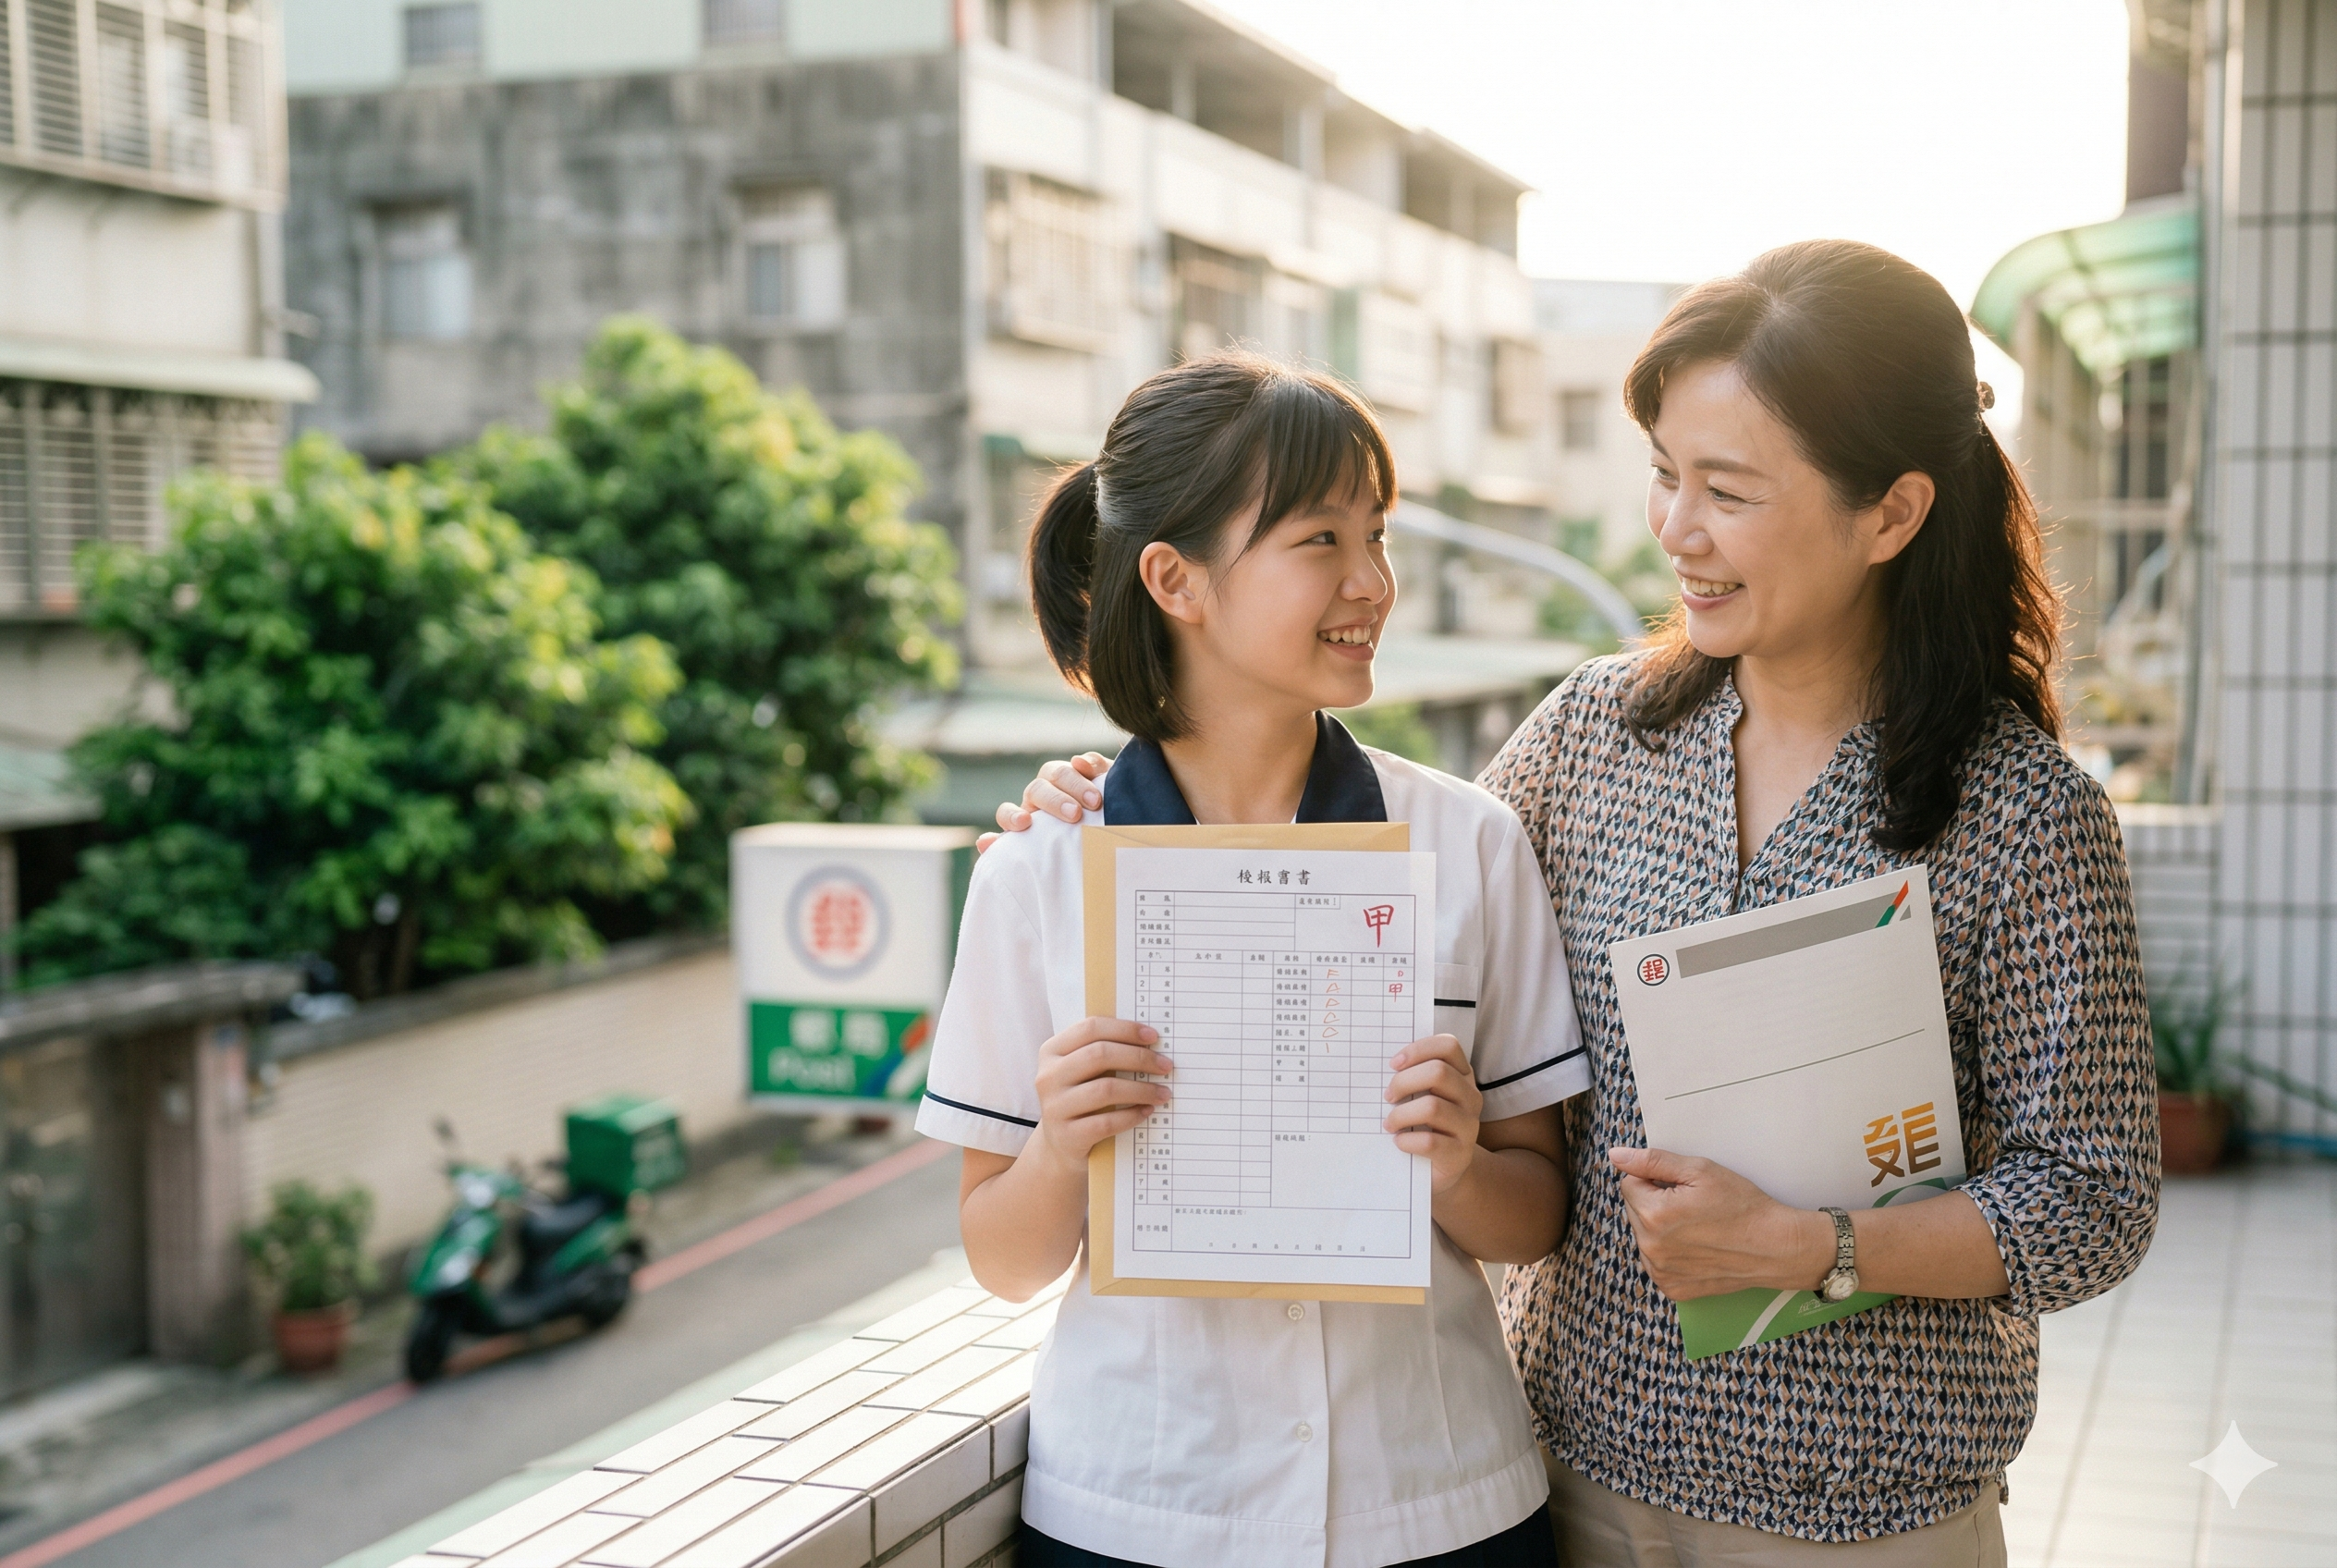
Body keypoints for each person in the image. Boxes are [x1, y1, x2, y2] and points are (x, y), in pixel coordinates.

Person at [985, 241, 2161, 1566]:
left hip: (1872, 1511)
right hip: (1578, 1480)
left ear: (1890, 513)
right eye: (1666, 478)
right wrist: (1121, 790)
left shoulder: (2024, 813)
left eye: (1728, 491)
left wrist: (1815, 1246)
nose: (1676, 531)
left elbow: (2095, 1201)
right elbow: (1356, 896)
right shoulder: (1592, 737)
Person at [919, 352, 1591, 1568]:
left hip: (1437, 1498)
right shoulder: (1040, 871)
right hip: (1143, 1504)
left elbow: (1534, 1216)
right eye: (1320, 541)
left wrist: (1452, 1166)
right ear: (1174, 579)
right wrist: (1064, 1146)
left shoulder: (1468, 842)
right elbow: (1000, 1260)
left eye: (1376, 536)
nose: (1373, 583)